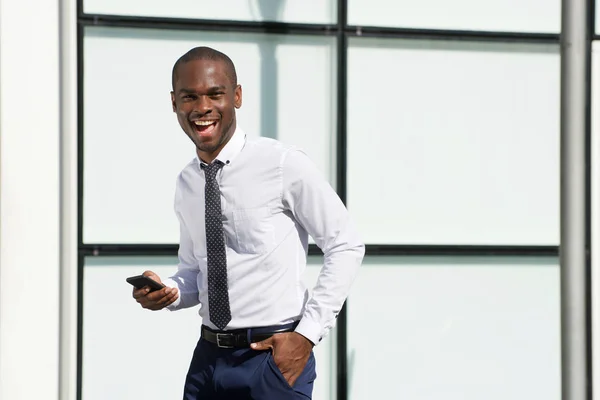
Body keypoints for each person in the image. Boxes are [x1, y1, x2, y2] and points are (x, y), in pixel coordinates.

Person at [132, 46, 364, 400]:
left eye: (215, 94)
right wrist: (168, 291)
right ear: (174, 103)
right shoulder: (188, 182)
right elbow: (196, 271)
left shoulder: (283, 164)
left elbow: (346, 244)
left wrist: (306, 335)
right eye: (189, 97)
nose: (202, 107)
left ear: (236, 96)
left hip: (271, 358)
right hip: (207, 360)